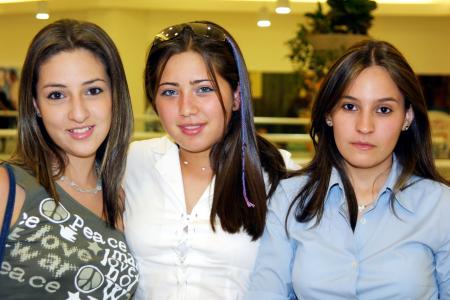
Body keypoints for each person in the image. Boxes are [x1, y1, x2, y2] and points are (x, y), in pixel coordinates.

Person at [245, 40, 450, 299]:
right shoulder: (289, 199)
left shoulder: (440, 205)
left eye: (384, 110)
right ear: (329, 113)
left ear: (407, 117)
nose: (365, 126)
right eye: (350, 106)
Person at [124, 21, 298, 300]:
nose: (186, 108)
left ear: (237, 96)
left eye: (203, 89)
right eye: (169, 92)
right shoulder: (132, 163)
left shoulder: (280, 175)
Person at [0, 19, 138, 299]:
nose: (78, 112)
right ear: (36, 105)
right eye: (57, 95)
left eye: (93, 91)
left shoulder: (121, 196)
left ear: (115, 95)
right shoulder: (8, 188)